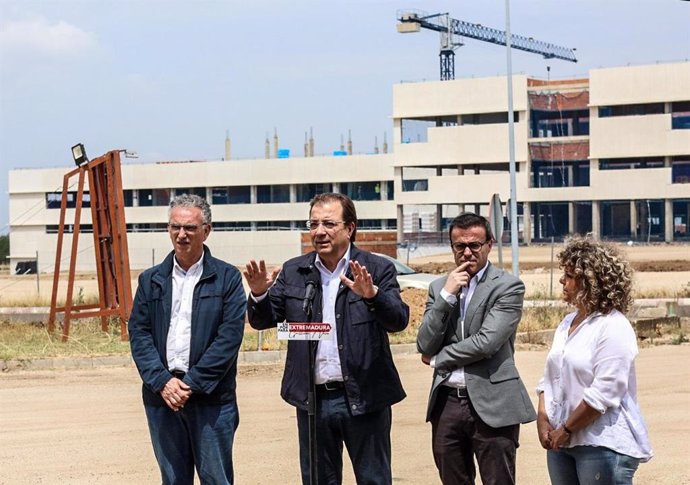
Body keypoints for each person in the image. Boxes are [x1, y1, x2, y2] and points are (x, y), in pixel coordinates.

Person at [244, 192, 409, 485]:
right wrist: (259, 293)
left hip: (365, 396)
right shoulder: (295, 271)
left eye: (329, 224)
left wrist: (372, 295)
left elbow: (398, 320)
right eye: (314, 224)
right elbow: (263, 320)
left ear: (350, 227)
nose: (319, 232)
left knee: (374, 479)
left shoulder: (377, 268)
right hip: (313, 400)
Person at [128, 194, 246, 485]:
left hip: (210, 400)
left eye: (190, 228)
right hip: (162, 399)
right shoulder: (150, 279)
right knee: (173, 480)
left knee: (216, 479)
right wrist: (163, 383)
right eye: (175, 227)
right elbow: (139, 333)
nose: (182, 235)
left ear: (207, 230)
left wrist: (191, 384)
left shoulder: (227, 278)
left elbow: (228, 338)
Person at [417, 212, 536, 485]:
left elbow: (487, 342)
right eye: (460, 246)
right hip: (447, 402)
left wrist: (438, 359)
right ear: (452, 248)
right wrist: (447, 296)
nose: (467, 252)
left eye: (475, 245)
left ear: (489, 244)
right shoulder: (439, 288)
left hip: (493, 402)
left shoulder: (507, 286)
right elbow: (424, 342)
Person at [536, 236, 653, 485]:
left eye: (569, 274)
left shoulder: (613, 326)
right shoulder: (567, 323)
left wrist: (566, 429)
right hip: (561, 443)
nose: (561, 280)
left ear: (590, 282)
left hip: (601, 443)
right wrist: (543, 419)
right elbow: (550, 377)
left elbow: (605, 391)